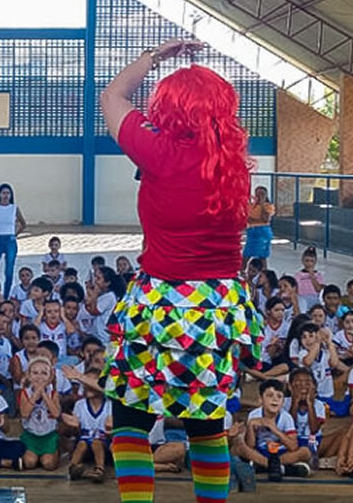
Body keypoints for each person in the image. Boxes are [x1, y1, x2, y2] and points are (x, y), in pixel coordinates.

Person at [96, 38, 263, 503]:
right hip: (214, 309)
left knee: (130, 422)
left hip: (161, 305)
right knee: (206, 426)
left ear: (168, 108)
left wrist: (154, 57)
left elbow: (111, 97)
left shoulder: (158, 152)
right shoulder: (236, 168)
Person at [0, 183, 26, 300]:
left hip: (10, 240)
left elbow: (23, 223)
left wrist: (15, 234)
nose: (5, 195)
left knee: (9, 271)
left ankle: (6, 296)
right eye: (3, 193)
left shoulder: (14, 208)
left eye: (8, 193)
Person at [243, 186, 274, 270]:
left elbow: (265, 219)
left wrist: (263, 203)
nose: (259, 195)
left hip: (262, 232)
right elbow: (247, 218)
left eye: (261, 193)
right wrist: (256, 219)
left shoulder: (268, 206)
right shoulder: (252, 205)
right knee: (246, 255)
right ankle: (241, 272)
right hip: (252, 232)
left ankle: (264, 274)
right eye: (257, 193)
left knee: (262, 256)